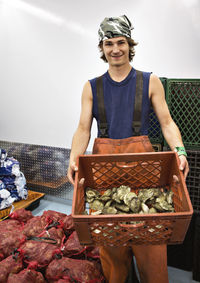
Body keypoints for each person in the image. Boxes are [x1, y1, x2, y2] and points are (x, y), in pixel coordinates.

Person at [67, 15, 189, 283]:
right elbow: (83, 129)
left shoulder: (150, 81)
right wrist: (73, 159)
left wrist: (180, 151)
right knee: (112, 249)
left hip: (145, 177)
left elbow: (167, 122)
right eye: (108, 43)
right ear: (102, 48)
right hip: (105, 179)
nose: (115, 49)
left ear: (130, 44)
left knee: (151, 245)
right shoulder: (91, 87)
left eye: (120, 42)